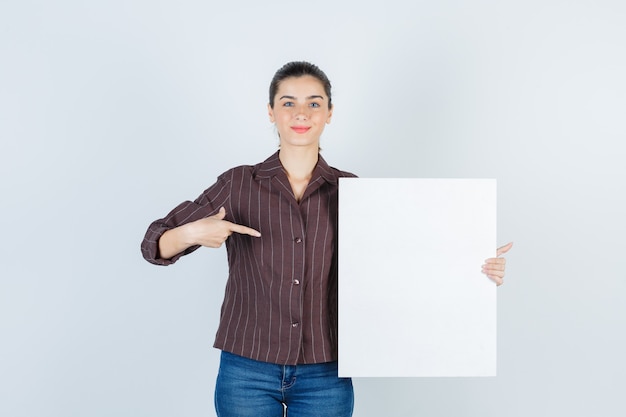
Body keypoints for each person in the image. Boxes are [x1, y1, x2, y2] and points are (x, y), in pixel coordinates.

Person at [141, 61, 512, 417]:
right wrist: (191, 232)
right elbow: (154, 245)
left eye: (313, 103)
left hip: (326, 372)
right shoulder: (238, 184)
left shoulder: (353, 191)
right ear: (271, 111)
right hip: (246, 369)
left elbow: (403, 264)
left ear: (329, 113)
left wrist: (471, 265)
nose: (301, 113)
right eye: (288, 103)